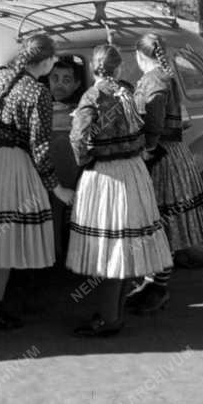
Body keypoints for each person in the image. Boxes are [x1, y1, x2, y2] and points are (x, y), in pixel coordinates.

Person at [0, 33, 75, 329]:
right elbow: (40, 147)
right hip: (10, 166)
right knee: (3, 241)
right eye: (53, 59)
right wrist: (57, 188)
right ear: (46, 62)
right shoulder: (38, 94)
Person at [66, 43, 173, 337]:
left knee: (109, 249)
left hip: (107, 177)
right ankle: (115, 313)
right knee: (124, 247)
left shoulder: (92, 96)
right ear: (119, 67)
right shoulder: (126, 90)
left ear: (93, 68)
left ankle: (108, 319)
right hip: (134, 172)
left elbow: (78, 139)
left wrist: (85, 160)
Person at [127, 32, 203, 315]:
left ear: (139, 56)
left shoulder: (154, 81)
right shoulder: (165, 76)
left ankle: (157, 288)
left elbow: (153, 124)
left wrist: (147, 151)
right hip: (172, 154)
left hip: (160, 158)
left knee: (160, 226)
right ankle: (151, 284)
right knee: (163, 226)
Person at [47, 56, 84, 131]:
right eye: (55, 79)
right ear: (49, 80)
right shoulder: (40, 100)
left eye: (66, 80)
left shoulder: (82, 107)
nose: (59, 85)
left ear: (76, 85)